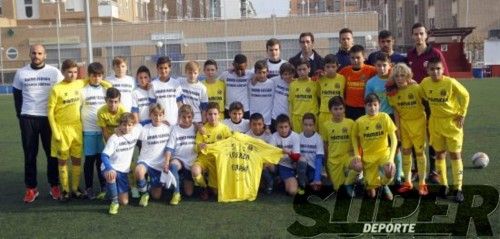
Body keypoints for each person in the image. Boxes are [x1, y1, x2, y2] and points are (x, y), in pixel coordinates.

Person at [47, 59, 109, 201]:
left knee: (76, 160)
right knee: (62, 161)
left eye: (75, 72)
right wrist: (55, 131)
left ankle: (75, 189)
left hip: (77, 128)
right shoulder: (56, 89)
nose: (72, 75)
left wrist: (104, 82)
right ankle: (65, 190)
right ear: (63, 72)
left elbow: (96, 79)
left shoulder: (80, 83)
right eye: (69, 72)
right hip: (61, 129)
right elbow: (50, 112)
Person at [13, 44, 63, 203]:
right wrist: (21, 116)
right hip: (28, 118)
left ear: (45, 55)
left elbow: (62, 92)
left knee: (52, 154)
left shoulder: (54, 72)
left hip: (48, 119)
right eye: (34, 53)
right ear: (29, 54)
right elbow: (17, 96)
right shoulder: (21, 73)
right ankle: (31, 188)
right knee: (29, 155)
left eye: (40, 53)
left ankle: (54, 185)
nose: (36, 55)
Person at [420, 57, 469, 203]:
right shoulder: (425, 83)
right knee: (439, 155)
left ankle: (458, 188)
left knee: (455, 155)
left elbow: (465, 95)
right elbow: (421, 94)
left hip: (452, 123)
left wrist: (462, 113)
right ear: (427, 70)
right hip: (435, 123)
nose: (435, 72)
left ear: (442, 69)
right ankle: (443, 186)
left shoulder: (450, 82)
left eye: (438, 69)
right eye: (432, 69)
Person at [407, 23, 450, 183]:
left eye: (421, 33)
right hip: (415, 103)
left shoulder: (435, 53)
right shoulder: (409, 55)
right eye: (415, 34)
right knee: (415, 136)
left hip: (433, 102)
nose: (418, 37)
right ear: (412, 36)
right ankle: (417, 169)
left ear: (426, 35)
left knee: (434, 136)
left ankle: (434, 171)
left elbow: (446, 77)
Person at [387, 63, 428, 196]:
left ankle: (422, 183)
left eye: (402, 75)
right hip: (404, 125)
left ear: (408, 76)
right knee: (405, 151)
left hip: (419, 123)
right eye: (397, 76)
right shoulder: (392, 93)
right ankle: (408, 182)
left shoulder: (416, 88)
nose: (399, 78)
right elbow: (396, 112)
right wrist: (398, 130)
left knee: (420, 153)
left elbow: (427, 101)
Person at [365, 52, 403, 185]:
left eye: (384, 65)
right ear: (374, 66)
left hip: (392, 117)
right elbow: (367, 101)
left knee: (396, 146)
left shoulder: (394, 80)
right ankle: (381, 175)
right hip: (377, 118)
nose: (382, 68)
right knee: (381, 147)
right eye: (379, 65)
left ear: (390, 65)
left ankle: (398, 175)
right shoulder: (371, 82)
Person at [352, 93, 397, 200]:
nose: (372, 108)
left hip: (383, 153)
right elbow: (354, 137)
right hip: (368, 157)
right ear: (365, 106)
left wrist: (391, 159)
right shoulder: (359, 121)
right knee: (371, 194)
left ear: (379, 105)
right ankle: (368, 182)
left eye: (375, 105)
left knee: (390, 170)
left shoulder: (384, 117)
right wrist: (357, 155)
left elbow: (394, 139)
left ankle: (383, 184)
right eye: (369, 105)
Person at [100, 113, 141, 214]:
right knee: (112, 175)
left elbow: (145, 123)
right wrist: (109, 168)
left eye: (129, 125)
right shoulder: (114, 138)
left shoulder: (136, 131)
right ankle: (114, 203)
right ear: (119, 125)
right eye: (124, 125)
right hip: (110, 167)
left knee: (124, 201)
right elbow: (104, 155)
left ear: (133, 125)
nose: (127, 127)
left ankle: (109, 192)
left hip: (123, 171)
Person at [192, 102, 232, 200]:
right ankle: (204, 187)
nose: (212, 117)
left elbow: (230, 144)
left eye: (215, 114)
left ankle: (211, 185)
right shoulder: (203, 129)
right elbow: (195, 147)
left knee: (215, 193)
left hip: (217, 160)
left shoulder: (224, 129)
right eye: (210, 114)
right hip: (204, 159)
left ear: (219, 115)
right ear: (206, 115)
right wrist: (199, 146)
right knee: (195, 171)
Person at [81, 62, 109, 199]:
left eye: (99, 76)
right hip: (89, 131)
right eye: (93, 75)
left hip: (103, 131)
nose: (96, 78)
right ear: (89, 76)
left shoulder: (105, 90)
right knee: (89, 161)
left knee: (101, 160)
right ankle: (89, 188)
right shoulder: (83, 90)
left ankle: (104, 186)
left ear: (102, 76)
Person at [135, 104, 171, 207]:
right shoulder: (144, 128)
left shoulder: (168, 128)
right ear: (150, 115)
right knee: (139, 171)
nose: (157, 118)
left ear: (163, 116)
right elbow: (131, 131)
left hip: (160, 165)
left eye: (160, 115)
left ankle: (150, 185)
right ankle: (144, 194)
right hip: (146, 161)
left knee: (156, 196)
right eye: (155, 115)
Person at [323, 96, 359, 197]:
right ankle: (345, 179)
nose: (338, 111)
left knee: (359, 165)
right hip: (334, 160)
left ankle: (349, 182)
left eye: (340, 108)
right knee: (339, 192)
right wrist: (327, 166)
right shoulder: (326, 125)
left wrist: (355, 154)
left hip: (347, 156)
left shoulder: (351, 123)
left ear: (344, 109)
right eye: (335, 109)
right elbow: (326, 146)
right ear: (330, 110)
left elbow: (356, 141)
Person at [165, 105, 198, 204]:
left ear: (192, 117)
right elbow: (169, 148)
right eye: (183, 117)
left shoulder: (196, 128)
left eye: (189, 117)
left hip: (192, 162)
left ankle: (182, 178)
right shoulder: (175, 129)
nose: (186, 120)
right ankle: (176, 193)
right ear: (179, 117)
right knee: (173, 165)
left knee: (189, 193)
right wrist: (166, 163)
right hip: (179, 159)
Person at [340, 45, 377, 120]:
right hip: (349, 108)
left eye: (358, 57)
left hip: (365, 108)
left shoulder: (372, 70)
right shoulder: (344, 71)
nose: (355, 60)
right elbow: (333, 77)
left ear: (364, 57)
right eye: (352, 58)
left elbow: (384, 74)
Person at [246, 113, 276, 194]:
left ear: (264, 124)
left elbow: (272, 152)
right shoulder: (247, 136)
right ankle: (264, 182)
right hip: (253, 162)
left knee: (267, 165)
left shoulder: (268, 135)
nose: (257, 127)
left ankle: (271, 181)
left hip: (267, 162)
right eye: (254, 124)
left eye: (259, 124)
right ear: (250, 125)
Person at [148, 56, 183, 126]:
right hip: (160, 123)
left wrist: (180, 119)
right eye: (161, 68)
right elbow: (152, 106)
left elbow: (179, 103)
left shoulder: (176, 83)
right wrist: (160, 120)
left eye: (165, 68)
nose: (163, 71)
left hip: (175, 122)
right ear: (157, 69)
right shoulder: (153, 85)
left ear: (170, 68)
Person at [272, 114, 301, 196]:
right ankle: (273, 181)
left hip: (292, 165)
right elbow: (270, 154)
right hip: (281, 165)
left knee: (292, 191)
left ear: (290, 126)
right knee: (268, 164)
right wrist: (281, 151)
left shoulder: (295, 136)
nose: (283, 130)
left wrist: (288, 152)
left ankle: (297, 181)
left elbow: (296, 157)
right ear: (276, 127)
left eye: (286, 127)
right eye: (280, 127)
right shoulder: (273, 137)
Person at [318, 54, 345, 139]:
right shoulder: (320, 79)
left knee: (338, 137)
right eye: (328, 67)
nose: (330, 69)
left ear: (338, 66)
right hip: (324, 113)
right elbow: (318, 95)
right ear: (324, 67)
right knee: (324, 138)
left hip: (339, 113)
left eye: (333, 66)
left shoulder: (342, 79)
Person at [288, 59, 319, 133]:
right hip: (297, 118)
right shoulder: (293, 84)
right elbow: (291, 103)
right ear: (296, 71)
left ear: (309, 69)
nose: (302, 72)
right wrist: (290, 118)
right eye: (299, 70)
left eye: (304, 69)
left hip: (311, 118)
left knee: (312, 141)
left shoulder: (315, 83)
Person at [219, 54, 253, 119]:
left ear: (246, 65)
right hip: (229, 109)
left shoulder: (250, 74)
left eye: (242, 69)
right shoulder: (226, 74)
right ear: (233, 65)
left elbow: (260, 69)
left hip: (244, 110)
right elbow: (215, 83)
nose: (240, 72)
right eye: (237, 69)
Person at [297, 113, 324, 193]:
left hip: (313, 168)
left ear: (314, 125)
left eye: (310, 125)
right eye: (305, 125)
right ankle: (302, 185)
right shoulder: (298, 137)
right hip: (302, 166)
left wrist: (317, 178)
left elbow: (319, 159)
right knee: (302, 161)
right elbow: (296, 155)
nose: (308, 127)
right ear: (302, 125)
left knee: (315, 189)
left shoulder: (318, 138)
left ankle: (310, 181)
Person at [249, 60, 274, 128]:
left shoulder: (273, 83)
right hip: (253, 118)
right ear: (255, 72)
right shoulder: (249, 83)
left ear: (268, 72)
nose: (262, 75)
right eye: (259, 72)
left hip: (267, 120)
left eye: (264, 72)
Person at [271, 63, 295, 132]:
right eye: (285, 74)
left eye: (290, 74)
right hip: (275, 117)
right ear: (281, 75)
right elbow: (263, 79)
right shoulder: (275, 80)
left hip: (287, 119)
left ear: (293, 73)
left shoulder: (295, 84)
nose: (287, 76)